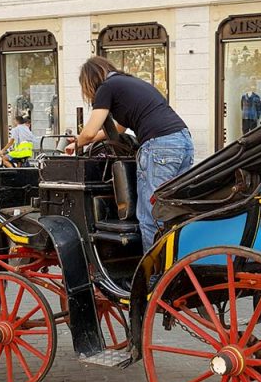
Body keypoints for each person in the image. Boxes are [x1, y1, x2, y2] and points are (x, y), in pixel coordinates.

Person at [69, 56, 193, 251]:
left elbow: (90, 131)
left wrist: (76, 143)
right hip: (183, 142)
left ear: (90, 80)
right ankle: (175, 267)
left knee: (151, 215)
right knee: (172, 211)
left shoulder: (106, 87)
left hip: (159, 145)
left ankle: (154, 277)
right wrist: (87, 138)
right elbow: (118, 129)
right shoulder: (130, 83)